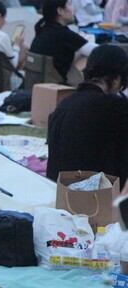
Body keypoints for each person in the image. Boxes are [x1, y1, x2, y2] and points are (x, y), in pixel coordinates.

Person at [46, 44, 128, 187]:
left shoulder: (64, 103)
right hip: (96, 193)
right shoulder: (115, 107)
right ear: (116, 79)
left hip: (57, 189)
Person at [30, 0, 97, 85]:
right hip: (56, 84)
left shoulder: (42, 28)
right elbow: (99, 51)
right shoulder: (63, 34)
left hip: (37, 80)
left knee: (80, 51)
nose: (73, 9)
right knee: (88, 56)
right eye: (70, 4)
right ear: (60, 10)